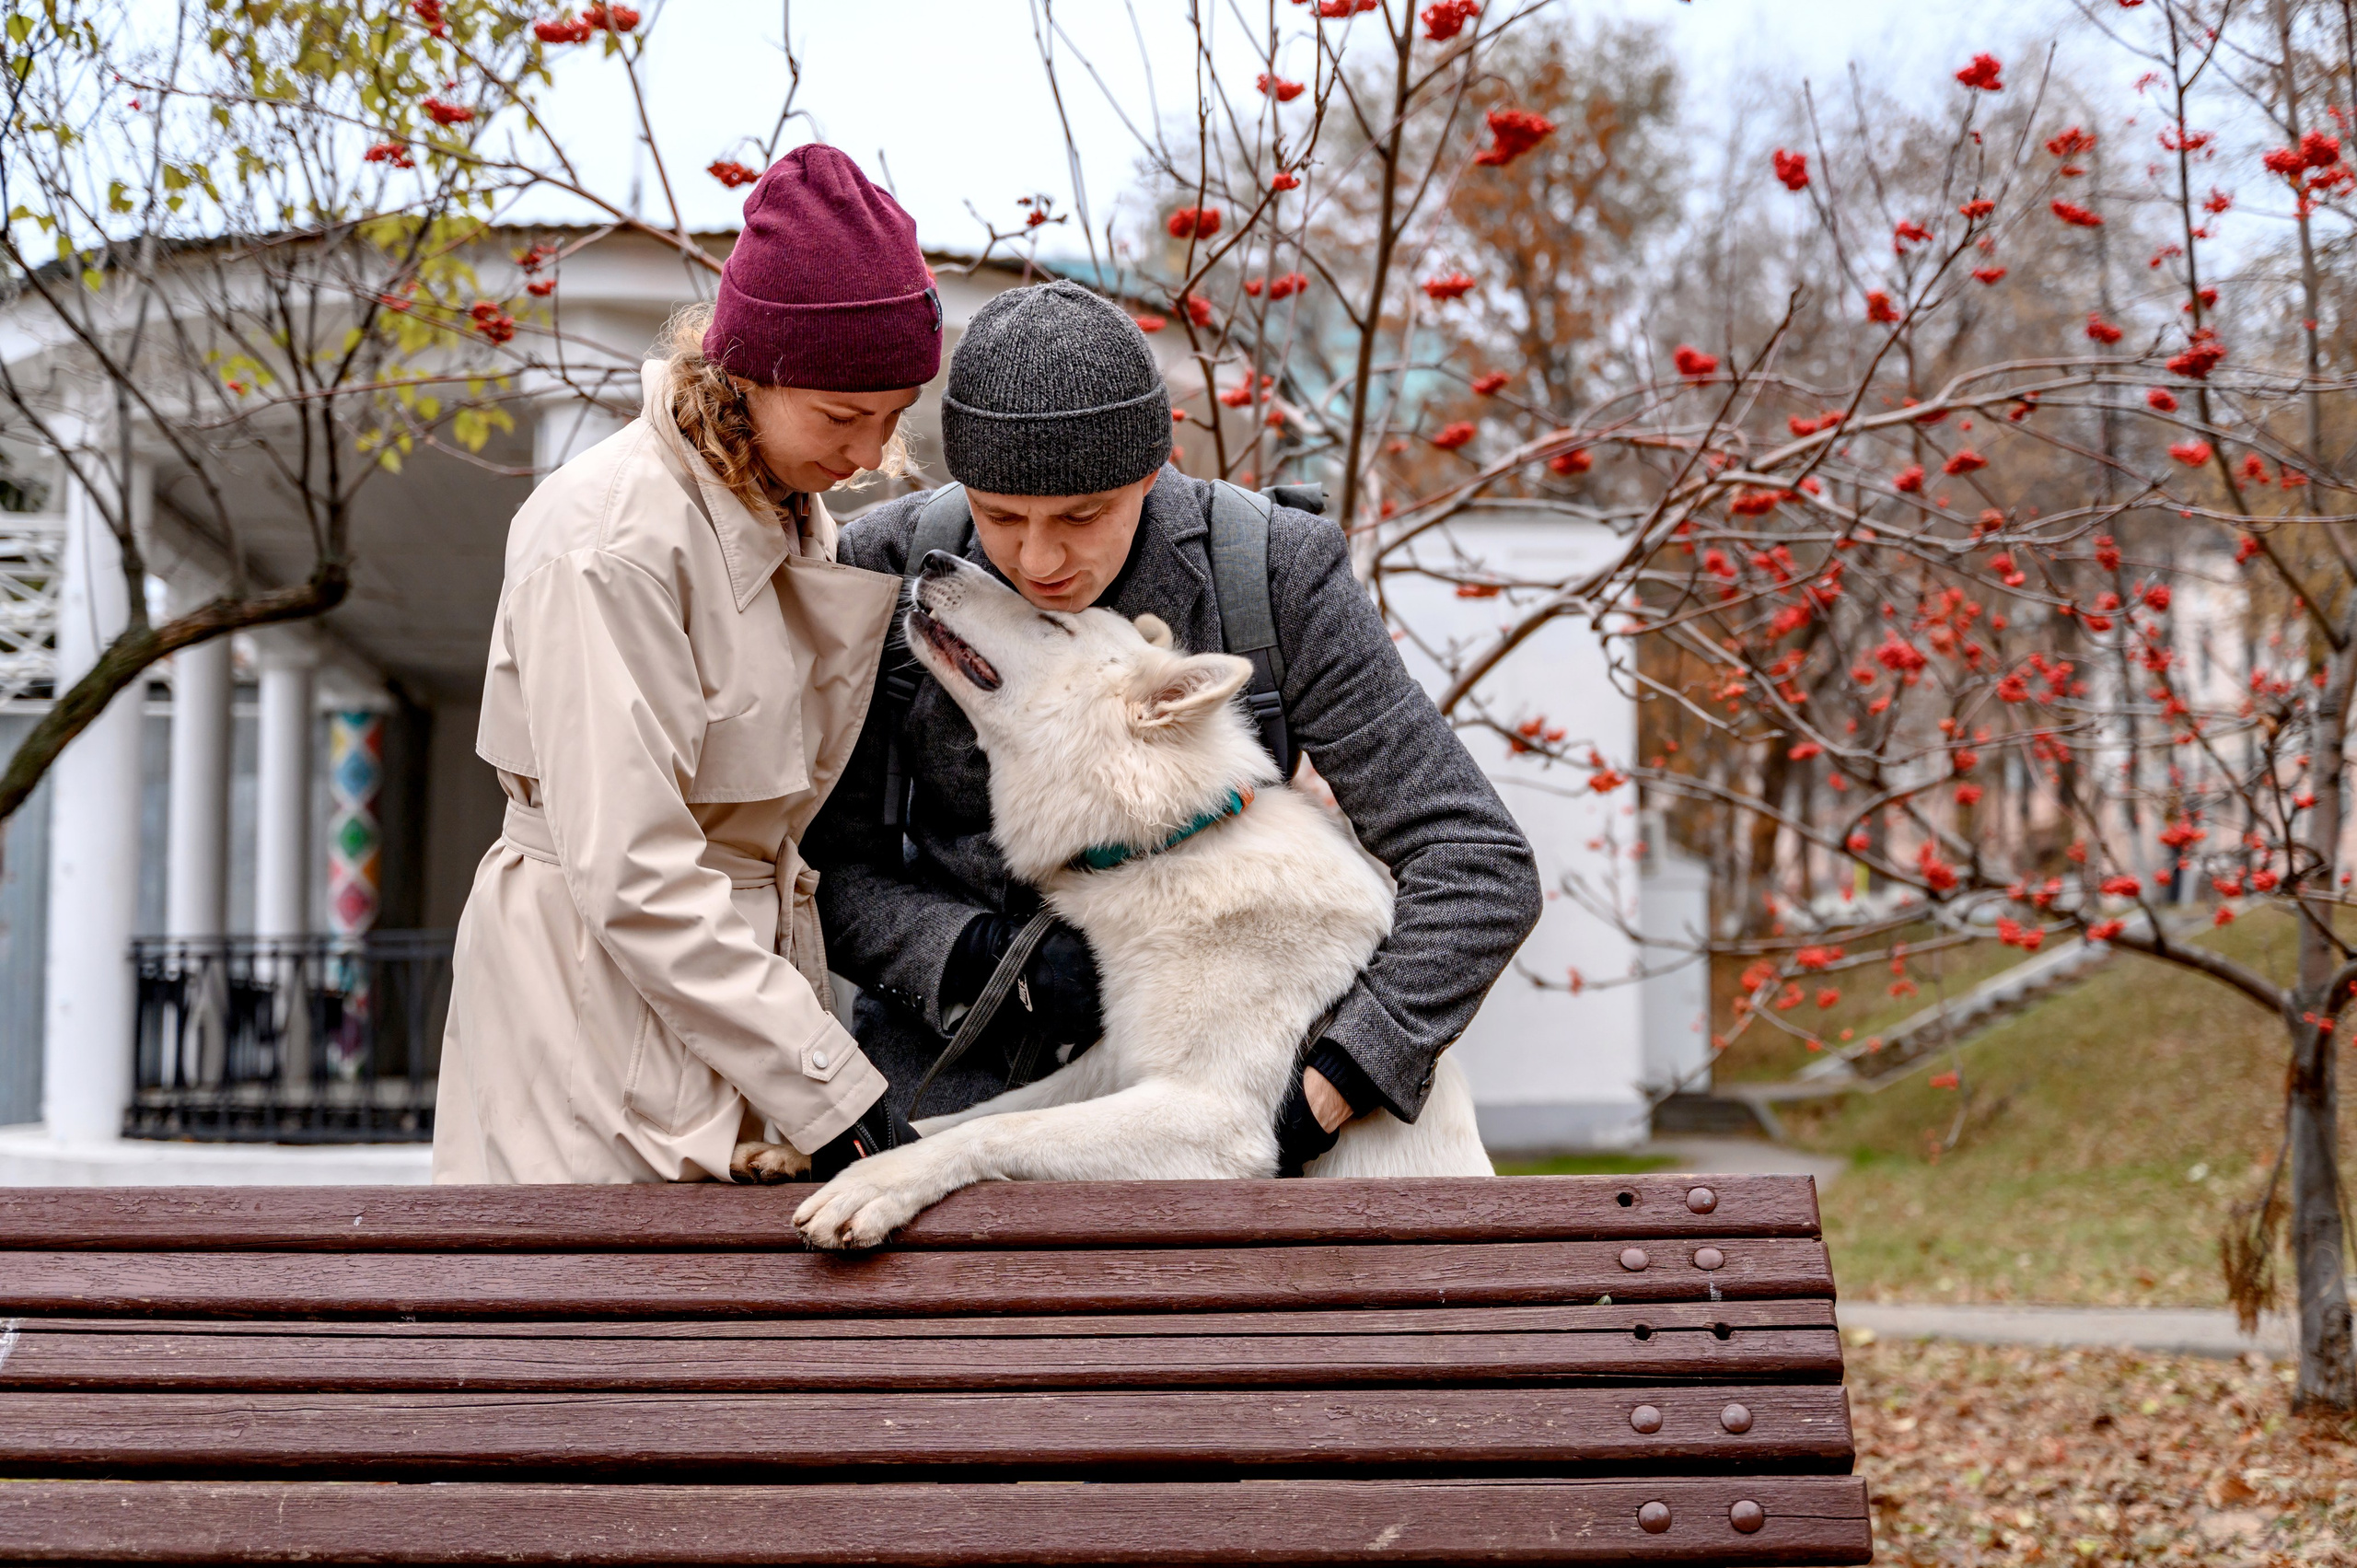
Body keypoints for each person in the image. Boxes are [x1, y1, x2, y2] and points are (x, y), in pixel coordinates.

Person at [805, 281, 1542, 1174]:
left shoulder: (1274, 572)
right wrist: (980, 959)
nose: (1039, 558)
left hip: (1228, 1131)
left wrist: (1347, 1069)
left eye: (1082, 516)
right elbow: (817, 869)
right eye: (1000, 516)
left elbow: (1473, 857)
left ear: (1152, 471)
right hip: (942, 1099)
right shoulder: (880, 567)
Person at [433, 146, 933, 1184]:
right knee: (582, 1335)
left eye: (888, 418)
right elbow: (631, 863)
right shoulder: (612, 535)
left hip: (723, 1006)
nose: (866, 452)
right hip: (590, 1012)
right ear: (748, 370)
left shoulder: (790, 515)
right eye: (843, 415)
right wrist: (833, 1093)